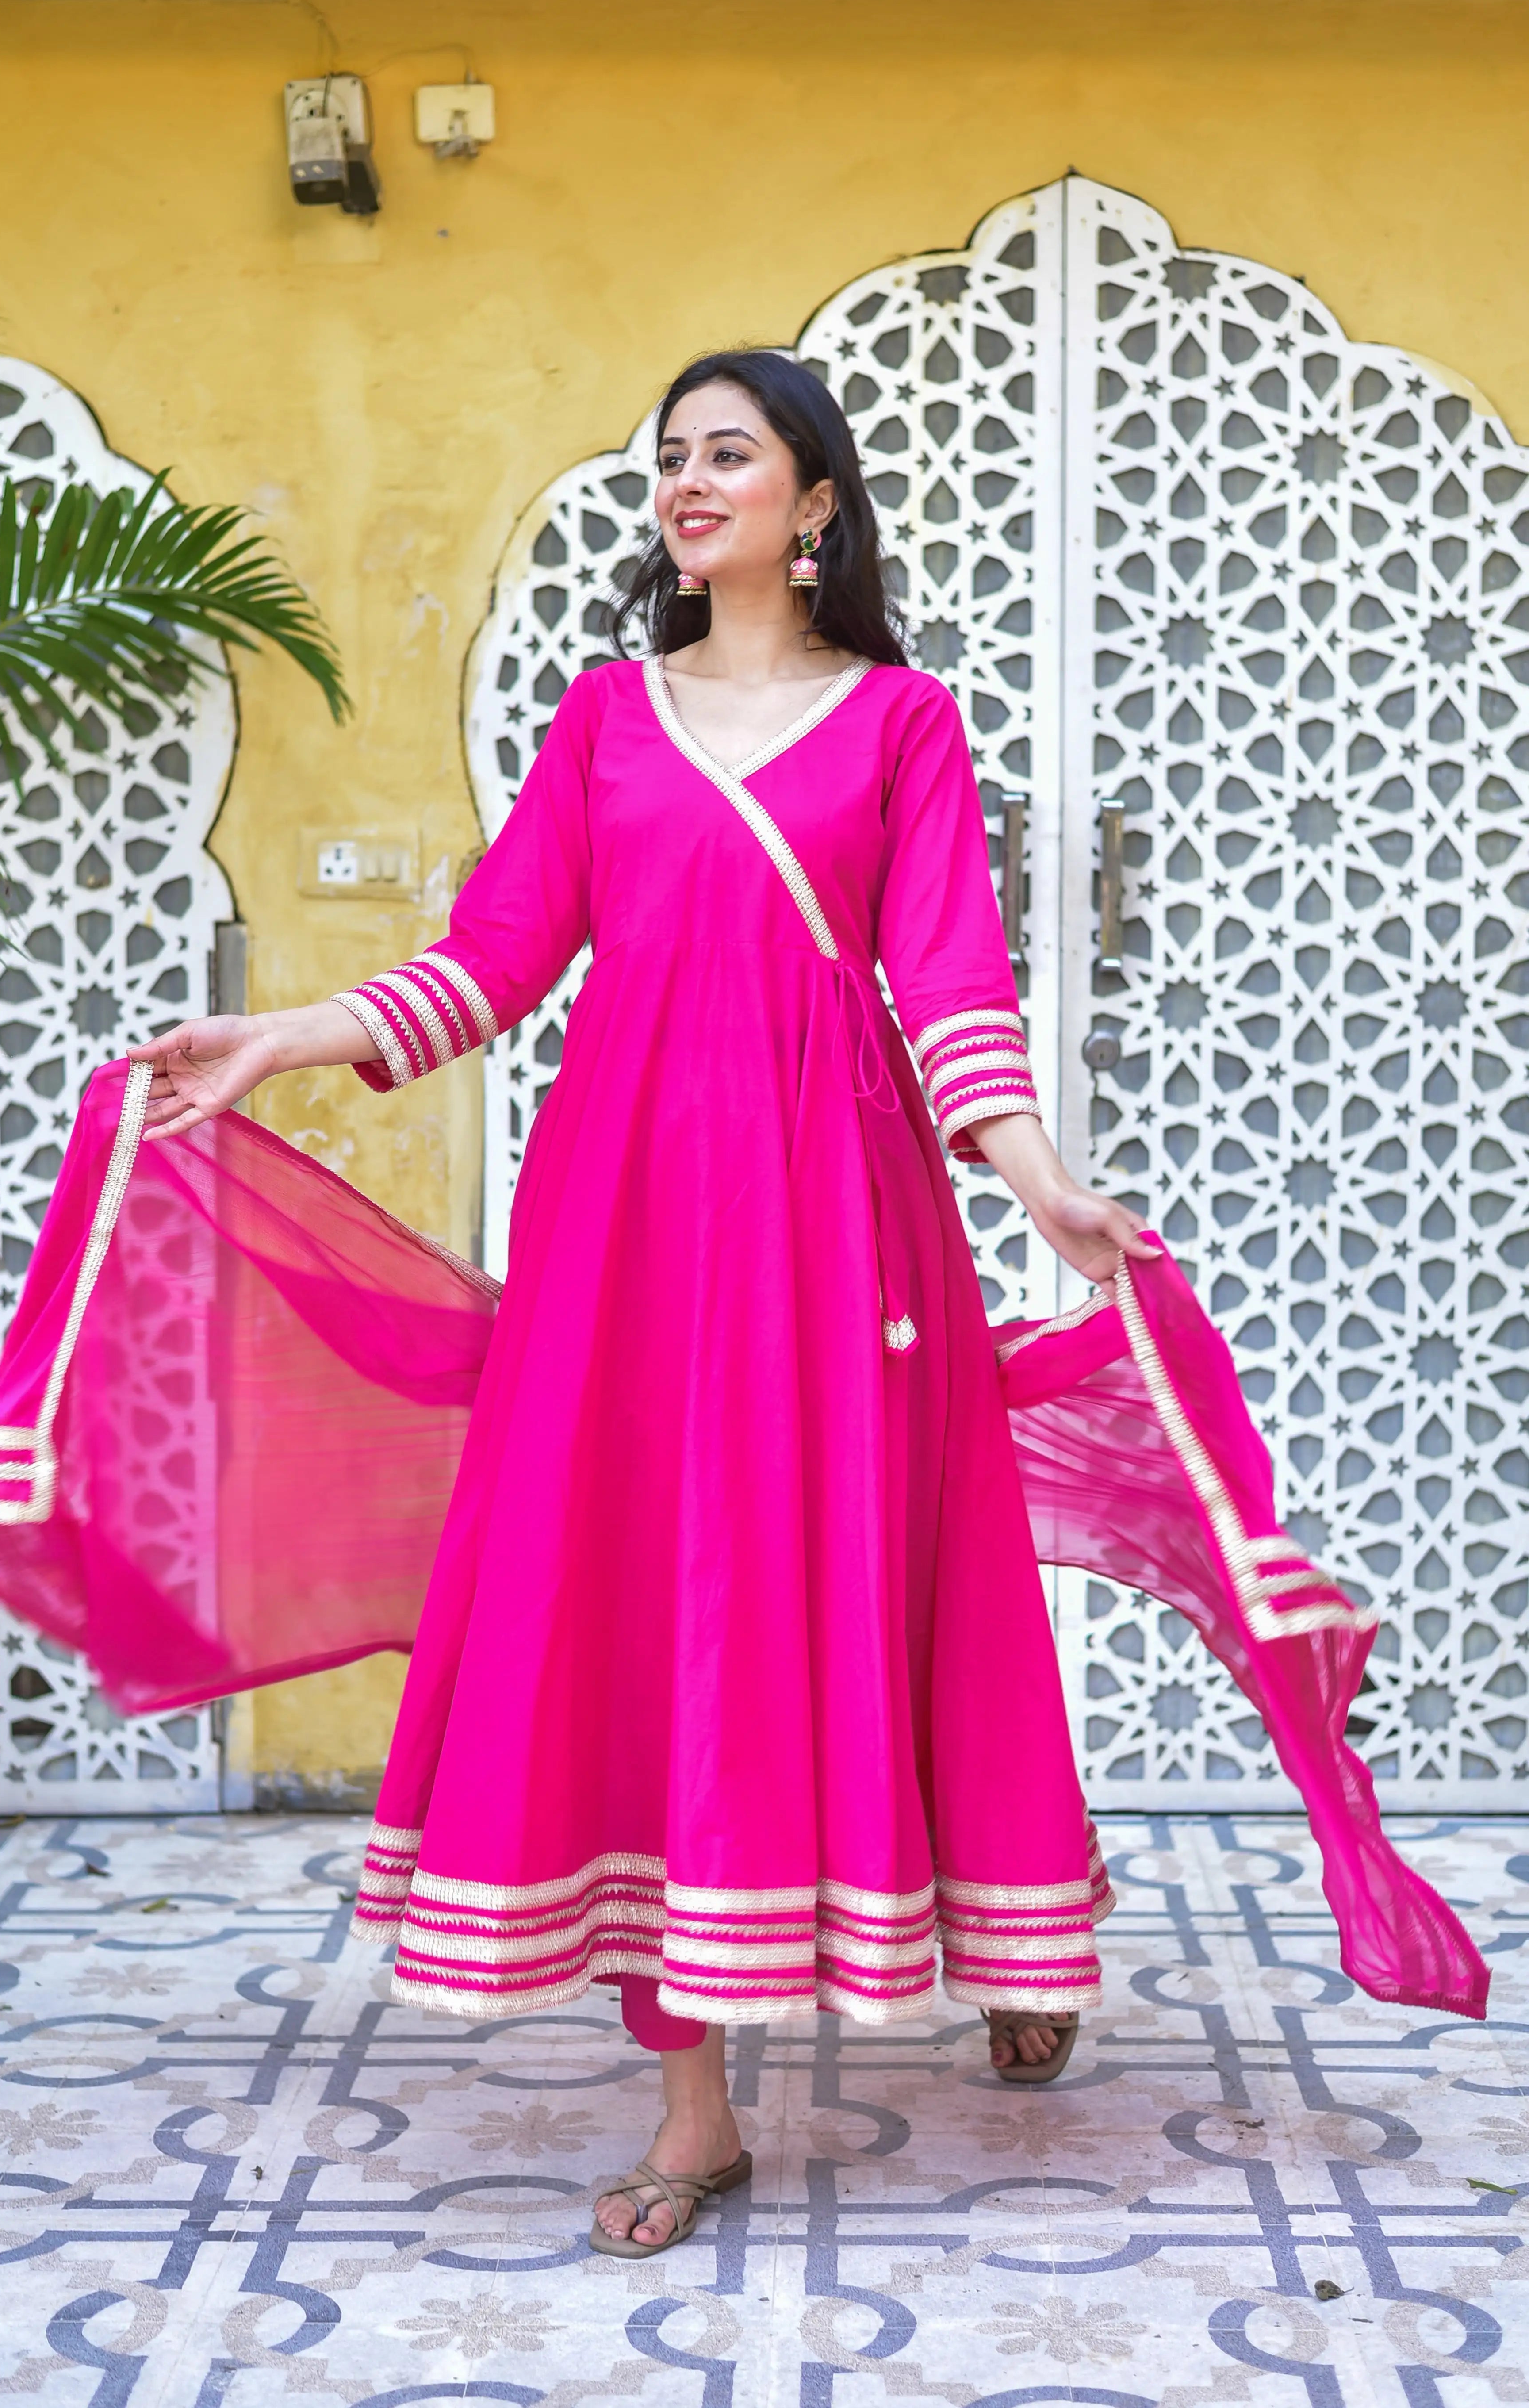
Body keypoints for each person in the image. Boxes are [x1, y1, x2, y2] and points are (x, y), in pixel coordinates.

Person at [133, 351, 1157, 2256]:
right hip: (627, 1231)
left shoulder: (901, 722)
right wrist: (282, 1035)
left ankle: (1014, 1924)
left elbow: (949, 983)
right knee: (651, 1606)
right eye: (671, 457)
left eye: (729, 455)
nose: (688, 483)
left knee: (891, 1576)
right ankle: (698, 2111)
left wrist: (1043, 1189)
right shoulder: (609, 718)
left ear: (816, 502)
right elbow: (496, 958)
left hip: (842, 1226)